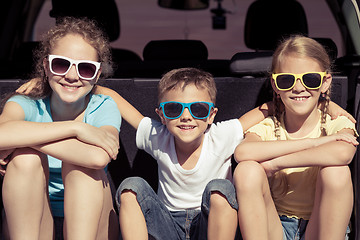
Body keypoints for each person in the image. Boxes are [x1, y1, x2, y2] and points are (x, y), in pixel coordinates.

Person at [0, 17, 121, 240]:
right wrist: (76, 130)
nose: (72, 76)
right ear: (46, 66)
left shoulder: (104, 107)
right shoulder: (25, 104)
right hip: (33, 222)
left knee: (83, 170)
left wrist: (23, 138)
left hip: (92, 224)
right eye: (61, 64)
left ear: (97, 74)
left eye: (85, 68)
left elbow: (98, 158)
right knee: (26, 159)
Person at [233, 35, 359, 240]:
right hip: (276, 227)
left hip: (321, 226)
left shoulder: (335, 121)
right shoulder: (270, 125)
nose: (298, 88)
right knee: (247, 170)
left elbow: (344, 152)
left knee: (336, 172)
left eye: (310, 79)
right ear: (275, 85)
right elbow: (242, 152)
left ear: (325, 82)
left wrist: (276, 164)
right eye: (286, 80)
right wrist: (314, 142)